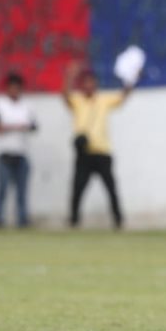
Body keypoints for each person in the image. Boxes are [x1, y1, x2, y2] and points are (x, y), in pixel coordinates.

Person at [63, 63, 131, 229]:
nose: (88, 86)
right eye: (85, 83)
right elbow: (64, 95)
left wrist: (130, 79)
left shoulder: (103, 100)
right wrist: (69, 76)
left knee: (111, 188)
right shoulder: (77, 101)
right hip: (83, 153)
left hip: (102, 152)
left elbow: (123, 97)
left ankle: (118, 220)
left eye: (91, 82)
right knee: (77, 189)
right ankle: (74, 221)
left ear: (95, 84)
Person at [0, 72, 38, 229]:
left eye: (17, 88)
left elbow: (34, 126)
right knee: (2, 189)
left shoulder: (27, 106)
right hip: (4, 154)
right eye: (12, 88)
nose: (15, 91)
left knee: (22, 191)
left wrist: (17, 127)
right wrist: (15, 127)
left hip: (21, 153)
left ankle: (22, 220)